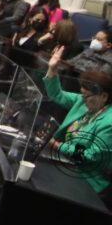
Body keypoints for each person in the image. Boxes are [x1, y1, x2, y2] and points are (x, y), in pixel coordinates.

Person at [43, 47, 112, 208]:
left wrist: (56, 145)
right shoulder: (83, 101)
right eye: (82, 94)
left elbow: (88, 156)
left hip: (87, 181)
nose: (83, 99)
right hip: (65, 164)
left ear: (104, 96)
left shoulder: (109, 122)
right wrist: (52, 68)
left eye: (87, 96)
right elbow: (56, 94)